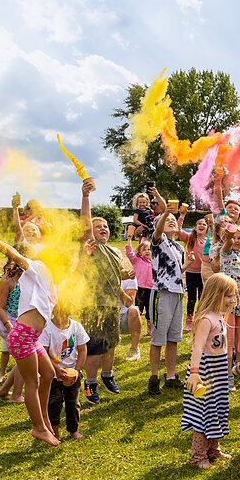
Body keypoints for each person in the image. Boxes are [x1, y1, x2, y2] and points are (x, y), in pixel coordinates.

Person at [0, 226, 60, 446]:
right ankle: (39, 428)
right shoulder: (38, 268)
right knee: (32, 382)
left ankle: (45, 419)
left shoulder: (50, 279)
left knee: (48, 374)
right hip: (22, 336)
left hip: (31, 337)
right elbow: (12, 252)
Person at [79, 178, 130, 404]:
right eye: (99, 226)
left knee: (111, 343)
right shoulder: (93, 247)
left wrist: (124, 291)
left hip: (111, 305)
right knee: (94, 348)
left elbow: (114, 280)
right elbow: (84, 223)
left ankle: (107, 376)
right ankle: (90, 384)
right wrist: (86, 197)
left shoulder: (115, 251)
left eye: (107, 227)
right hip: (93, 305)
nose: (103, 229)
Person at [184, 273, 237, 466]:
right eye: (228, 295)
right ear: (216, 294)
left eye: (232, 295)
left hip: (219, 370)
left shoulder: (220, 317)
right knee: (204, 413)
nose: (231, 300)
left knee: (218, 409)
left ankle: (214, 449)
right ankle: (198, 456)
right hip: (205, 371)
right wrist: (195, 373)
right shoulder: (207, 319)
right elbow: (197, 347)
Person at [208, 223, 240, 384]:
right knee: (229, 337)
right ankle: (227, 374)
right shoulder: (224, 252)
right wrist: (230, 236)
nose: (237, 241)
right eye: (235, 237)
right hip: (227, 299)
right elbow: (229, 243)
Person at [147, 188, 186, 396]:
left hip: (178, 294)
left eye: (173, 220)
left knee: (173, 339)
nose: (171, 221)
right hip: (162, 293)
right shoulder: (158, 241)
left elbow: (176, 272)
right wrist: (163, 206)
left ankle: (170, 377)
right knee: (158, 339)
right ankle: (153, 377)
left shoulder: (179, 248)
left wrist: (186, 266)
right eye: (166, 220)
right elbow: (161, 224)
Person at [43, 307, 89, 440]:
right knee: (54, 403)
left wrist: (77, 370)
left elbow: (82, 350)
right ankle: (54, 432)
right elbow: (44, 353)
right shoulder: (47, 328)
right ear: (54, 311)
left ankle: (73, 430)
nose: (62, 316)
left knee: (73, 403)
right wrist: (56, 370)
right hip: (53, 374)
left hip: (72, 374)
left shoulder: (76, 327)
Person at [0, 260, 25, 401]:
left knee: (22, 359)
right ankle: (16, 394)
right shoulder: (7, 280)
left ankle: (4, 391)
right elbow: (0, 307)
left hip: (23, 321)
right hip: (8, 322)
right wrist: (9, 326)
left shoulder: (29, 276)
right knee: (24, 358)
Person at [125, 239, 154, 330]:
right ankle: (137, 326)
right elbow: (129, 253)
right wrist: (129, 239)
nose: (147, 251)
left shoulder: (154, 263)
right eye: (144, 250)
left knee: (150, 309)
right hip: (139, 288)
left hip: (150, 289)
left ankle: (150, 326)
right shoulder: (137, 260)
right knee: (138, 309)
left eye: (149, 249)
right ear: (140, 252)